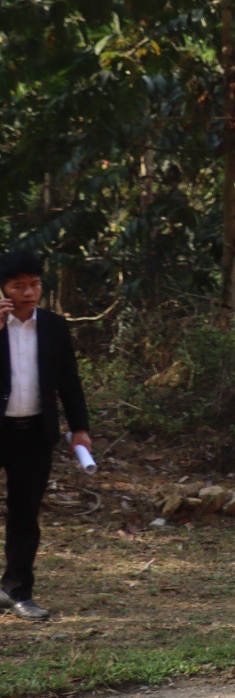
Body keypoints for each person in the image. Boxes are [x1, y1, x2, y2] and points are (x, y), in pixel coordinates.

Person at [0, 252, 91, 621]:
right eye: (18, 285)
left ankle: (17, 590)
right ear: (3, 289)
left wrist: (80, 429)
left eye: (34, 284)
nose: (28, 292)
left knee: (25, 515)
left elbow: (69, 380)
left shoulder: (53, 326)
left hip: (34, 433)